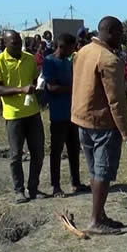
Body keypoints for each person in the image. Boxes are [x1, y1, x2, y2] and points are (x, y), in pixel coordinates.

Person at [71, 16, 127, 235]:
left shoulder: (83, 52)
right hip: (103, 124)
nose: (122, 37)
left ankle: (99, 214)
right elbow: (116, 101)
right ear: (110, 31)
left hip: (82, 120)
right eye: (120, 33)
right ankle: (95, 220)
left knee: (93, 169)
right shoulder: (109, 60)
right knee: (103, 171)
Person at [0, 30, 45, 204]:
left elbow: (34, 80)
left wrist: (36, 86)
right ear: (4, 43)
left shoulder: (29, 58)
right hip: (14, 115)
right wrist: (20, 89)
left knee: (39, 153)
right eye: (13, 42)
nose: (18, 45)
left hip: (33, 112)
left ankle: (33, 188)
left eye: (19, 41)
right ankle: (19, 190)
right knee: (16, 155)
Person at [42, 33, 90, 198]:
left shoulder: (70, 61)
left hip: (73, 113)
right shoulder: (49, 61)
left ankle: (75, 182)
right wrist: (76, 88)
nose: (73, 50)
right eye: (71, 48)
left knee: (74, 149)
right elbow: (52, 87)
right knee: (56, 151)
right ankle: (56, 186)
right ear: (62, 46)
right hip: (58, 114)